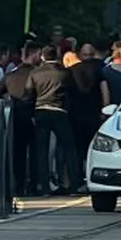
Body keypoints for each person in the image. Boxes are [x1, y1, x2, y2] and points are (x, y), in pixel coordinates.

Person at [24, 45, 79, 195]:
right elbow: (74, 92)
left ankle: (44, 187)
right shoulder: (65, 73)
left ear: (42, 56)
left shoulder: (35, 73)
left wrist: (32, 114)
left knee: (41, 150)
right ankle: (74, 184)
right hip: (59, 111)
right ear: (58, 55)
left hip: (41, 110)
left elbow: (28, 94)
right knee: (69, 148)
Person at [0, 43, 40, 196]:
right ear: (34, 55)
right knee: (35, 152)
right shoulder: (36, 73)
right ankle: (34, 184)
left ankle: (17, 185)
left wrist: (9, 98)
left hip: (14, 116)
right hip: (33, 116)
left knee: (17, 153)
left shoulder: (11, 75)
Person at [67, 44, 111, 192]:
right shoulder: (99, 70)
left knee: (77, 149)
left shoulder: (72, 70)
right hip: (94, 114)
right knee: (92, 149)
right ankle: (91, 178)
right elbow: (104, 90)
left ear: (80, 55)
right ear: (93, 54)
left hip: (75, 115)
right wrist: (105, 110)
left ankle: (76, 181)